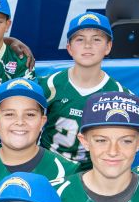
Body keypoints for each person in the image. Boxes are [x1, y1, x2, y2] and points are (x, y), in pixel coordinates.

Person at [0, 77, 77, 195]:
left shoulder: (68, 172)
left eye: (30, 114)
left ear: (42, 122)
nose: (20, 121)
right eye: (10, 114)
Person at [42, 11, 127, 164]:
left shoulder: (120, 96)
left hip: (94, 171)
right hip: (49, 166)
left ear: (108, 47)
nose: (88, 45)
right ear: (69, 47)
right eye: (80, 39)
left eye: (96, 39)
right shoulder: (48, 85)